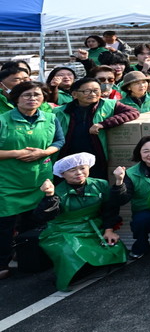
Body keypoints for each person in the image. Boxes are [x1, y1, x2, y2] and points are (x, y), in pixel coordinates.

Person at [33, 153, 127, 289]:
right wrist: (49, 196)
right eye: (72, 170)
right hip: (63, 230)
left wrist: (109, 230)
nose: (79, 173)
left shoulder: (100, 184)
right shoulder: (58, 192)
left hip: (93, 226)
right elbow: (41, 216)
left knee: (116, 250)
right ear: (62, 174)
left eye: (83, 168)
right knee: (68, 252)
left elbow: (110, 208)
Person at [0, 81, 64, 280]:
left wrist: (44, 152)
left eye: (37, 94)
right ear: (16, 99)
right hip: (8, 181)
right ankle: (2, 261)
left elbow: (59, 142)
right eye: (26, 95)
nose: (32, 98)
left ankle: (28, 255)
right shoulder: (3, 120)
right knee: (5, 225)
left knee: (34, 220)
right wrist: (16, 153)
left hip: (39, 179)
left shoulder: (51, 118)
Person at [56, 77, 139, 178]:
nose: (93, 94)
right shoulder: (60, 111)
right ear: (74, 94)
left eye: (96, 90)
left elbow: (133, 112)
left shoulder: (109, 105)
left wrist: (103, 124)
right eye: (87, 91)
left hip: (97, 155)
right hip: (69, 156)